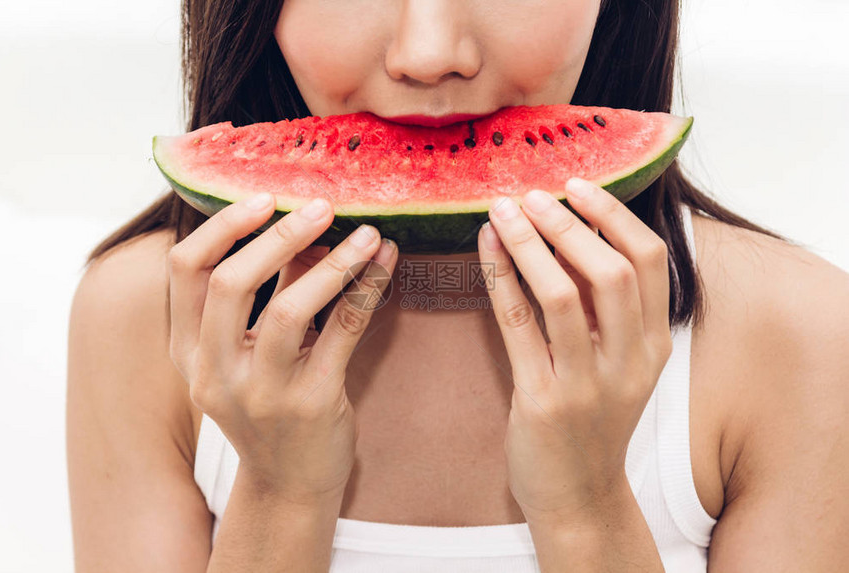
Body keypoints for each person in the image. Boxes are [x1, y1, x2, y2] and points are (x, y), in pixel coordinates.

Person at [66, 0, 849, 571]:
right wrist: (277, 493)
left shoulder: (797, 339)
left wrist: (586, 503)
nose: (430, 51)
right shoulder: (145, 319)